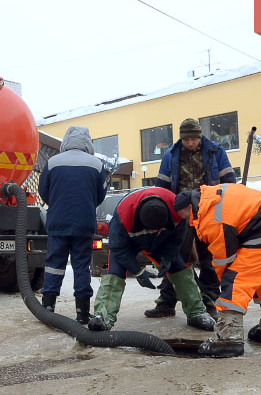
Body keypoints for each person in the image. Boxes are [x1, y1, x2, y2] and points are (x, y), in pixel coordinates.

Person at [174, 184, 261, 357]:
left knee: (235, 281)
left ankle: (229, 339)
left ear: (188, 207)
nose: (184, 220)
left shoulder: (210, 216)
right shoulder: (210, 197)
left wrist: (224, 282)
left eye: (183, 215)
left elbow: (224, 257)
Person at [87, 187, 215, 332]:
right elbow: (118, 249)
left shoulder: (175, 207)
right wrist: (137, 271)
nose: (155, 231)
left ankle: (196, 313)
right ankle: (103, 316)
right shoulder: (123, 216)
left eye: (159, 229)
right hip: (128, 244)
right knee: (114, 273)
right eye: (153, 229)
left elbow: (177, 237)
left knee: (180, 269)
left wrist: (168, 257)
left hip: (162, 243)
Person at [149, 118, 236, 321]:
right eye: (186, 139)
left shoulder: (216, 152)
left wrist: (229, 202)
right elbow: (161, 186)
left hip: (210, 211)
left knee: (209, 259)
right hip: (183, 212)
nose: (190, 143)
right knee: (176, 256)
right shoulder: (170, 155)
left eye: (193, 139)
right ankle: (167, 301)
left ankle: (209, 301)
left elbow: (228, 181)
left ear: (199, 137)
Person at [38, 126, 107, 324]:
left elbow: (44, 190)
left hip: (58, 222)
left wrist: (58, 203)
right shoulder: (96, 164)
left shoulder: (52, 162)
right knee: (82, 266)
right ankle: (82, 313)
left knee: (54, 264)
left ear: (65, 141)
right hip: (84, 223)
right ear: (88, 142)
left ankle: (48, 308)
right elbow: (100, 195)